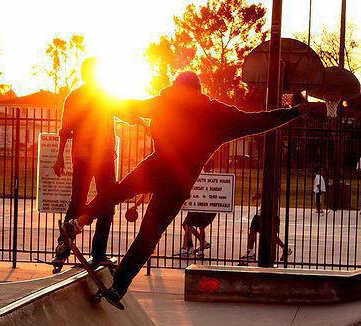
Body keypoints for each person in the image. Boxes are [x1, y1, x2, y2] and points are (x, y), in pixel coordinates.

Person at [61, 71, 308, 308]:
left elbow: (127, 106)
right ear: (198, 90)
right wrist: (294, 112)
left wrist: (99, 100)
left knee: (115, 193)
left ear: (176, 87)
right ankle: (119, 287)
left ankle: (79, 221)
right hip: (180, 183)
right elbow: (257, 121)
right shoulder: (215, 113)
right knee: (149, 234)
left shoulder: (164, 102)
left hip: (155, 167)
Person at [52, 57, 147, 267]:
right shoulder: (88, 96)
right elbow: (66, 129)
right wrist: (59, 156)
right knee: (106, 200)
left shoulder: (83, 96)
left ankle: (64, 248)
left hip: (91, 156)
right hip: (95, 156)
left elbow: (122, 112)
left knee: (85, 201)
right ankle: (94, 251)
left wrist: (141, 120)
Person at [239, 193, 292, 263]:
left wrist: (257, 196)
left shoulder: (272, 194)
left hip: (264, 216)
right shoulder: (274, 195)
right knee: (261, 233)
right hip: (263, 215)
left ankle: (251, 252)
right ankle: (285, 249)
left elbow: (266, 195)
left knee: (268, 235)